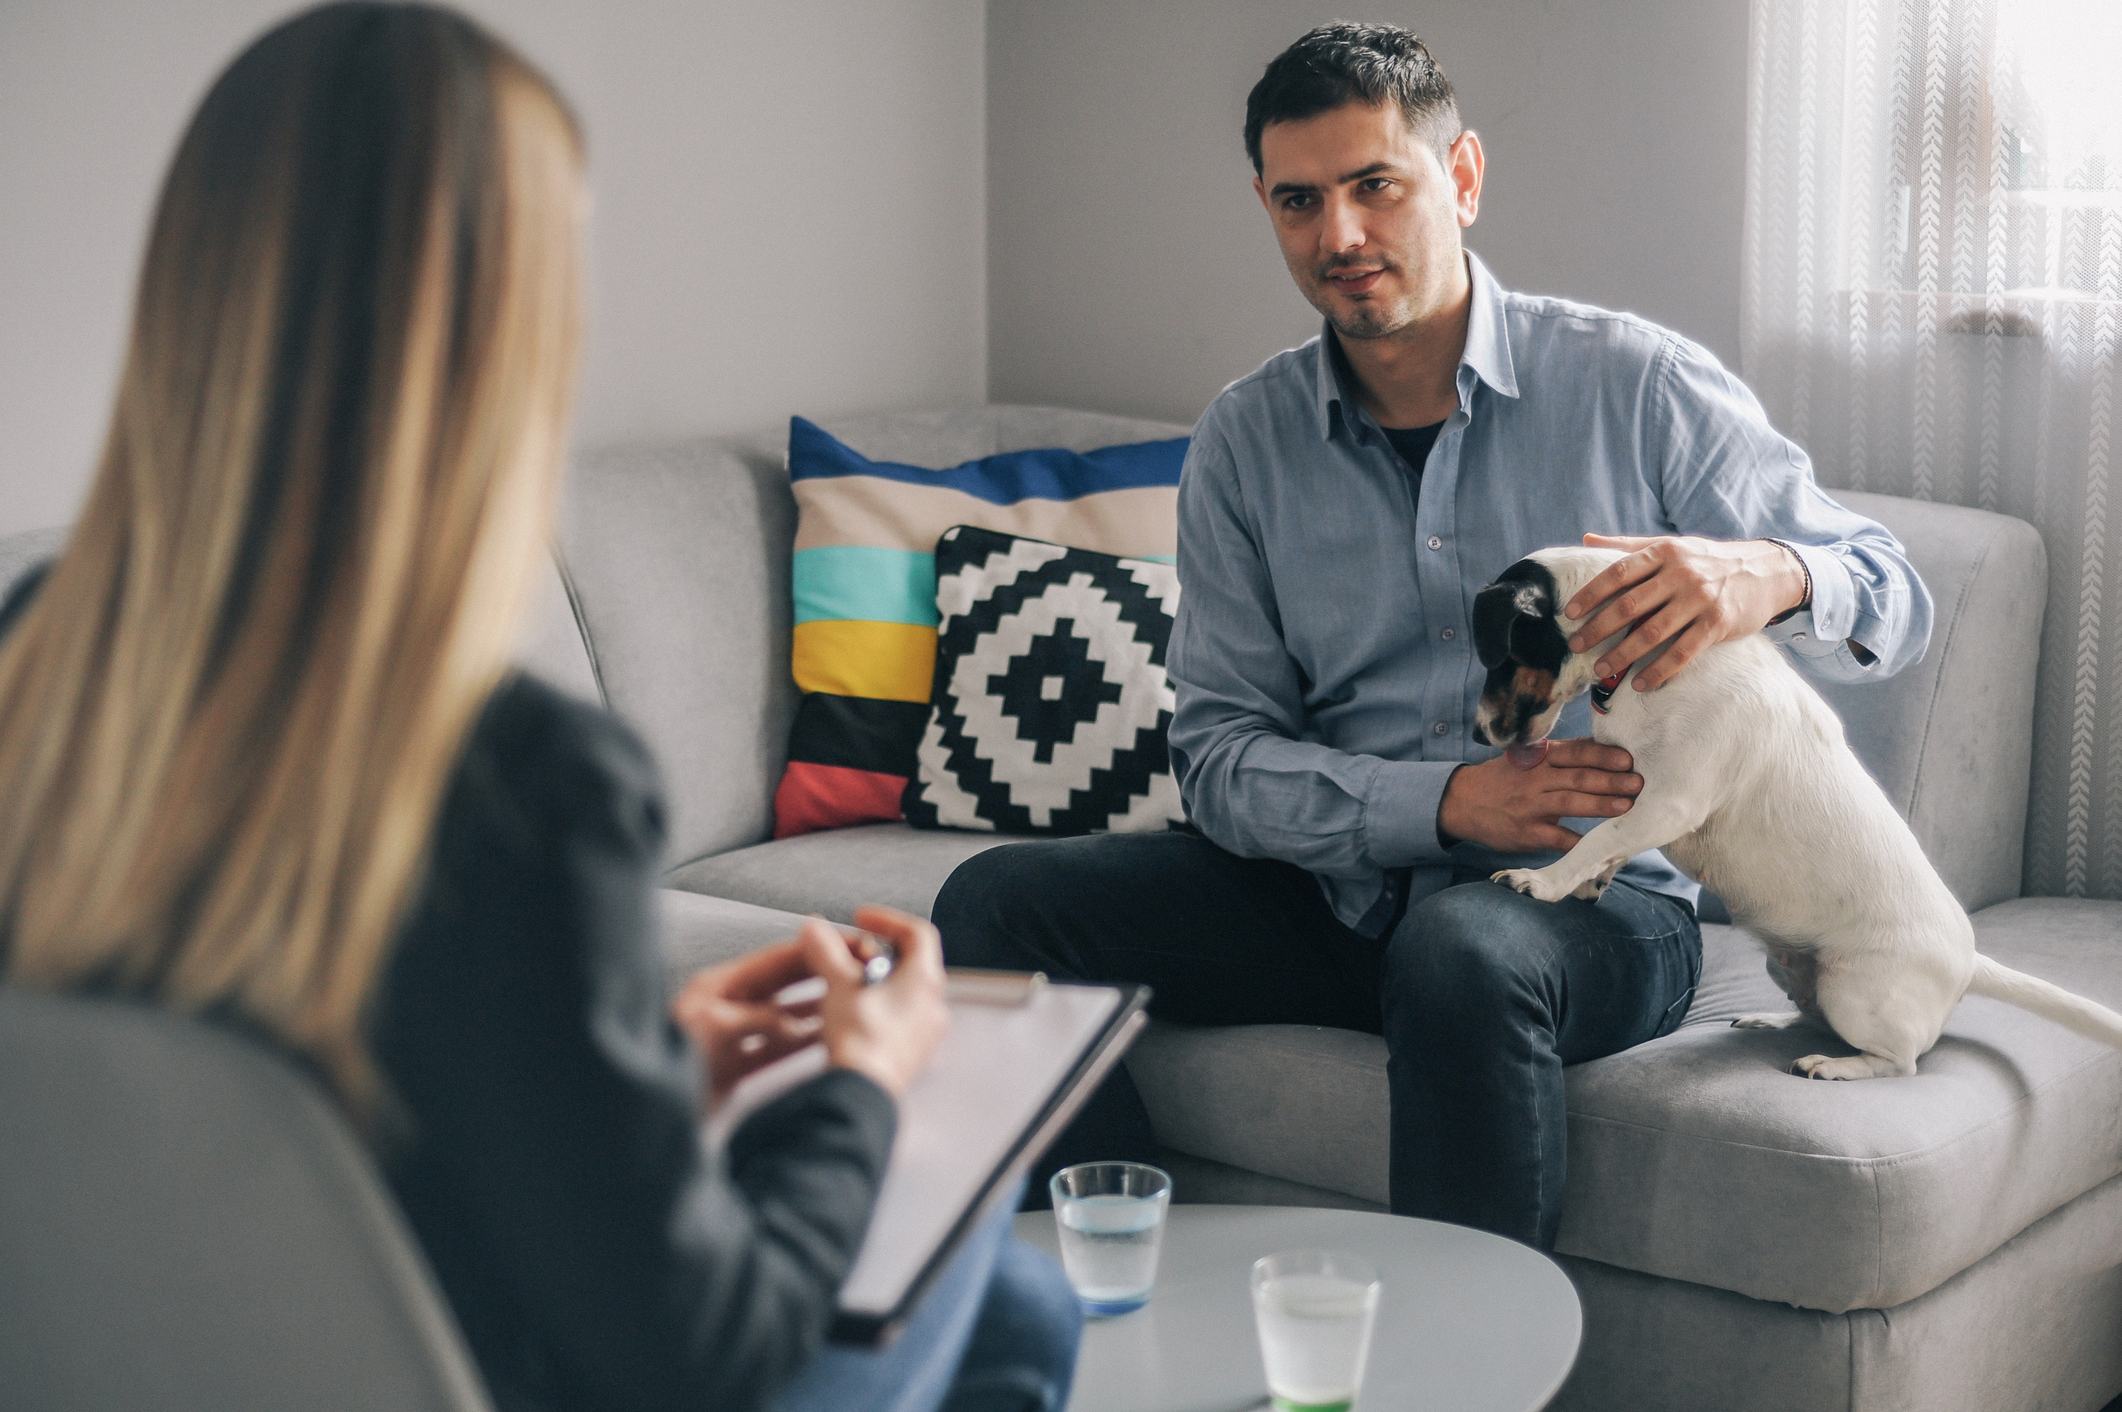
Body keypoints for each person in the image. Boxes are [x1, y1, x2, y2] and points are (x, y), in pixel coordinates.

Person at [0, 6, 1076, 1411]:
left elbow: (281, 1116)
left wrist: (640, 1066)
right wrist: (865, 1082)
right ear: (504, 331)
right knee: (1004, 1265)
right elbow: (700, 1356)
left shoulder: (41, 665)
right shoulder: (515, 781)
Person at [936, 21, 1932, 1250]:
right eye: (1299, 201)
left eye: (1375, 186)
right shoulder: (1245, 443)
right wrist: (1446, 803)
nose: (1338, 235)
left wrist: (1769, 569)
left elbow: (1891, 591)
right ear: (1265, 205)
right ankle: (1124, 1300)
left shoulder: (1638, 386)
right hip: (1324, 898)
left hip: (1593, 910)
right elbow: (1220, 758)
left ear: (1458, 178)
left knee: (1461, 947)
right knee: (992, 905)